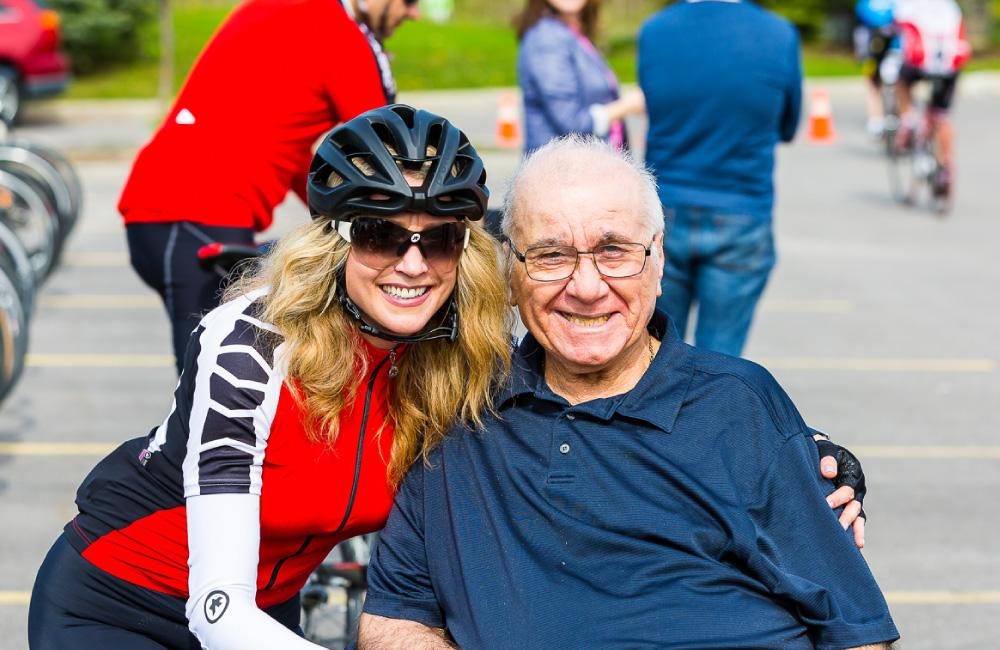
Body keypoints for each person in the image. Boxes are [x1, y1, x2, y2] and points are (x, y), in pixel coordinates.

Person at [356, 137, 898, 650]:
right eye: (551, 256)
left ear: (657, 259)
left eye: (613, 252)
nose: (587, 288)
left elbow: (856, 630)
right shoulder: (459, 406)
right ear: (510, 270)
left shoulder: (739, 405)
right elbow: (394, 618)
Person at [28, 105, 513, 649]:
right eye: (381, 235)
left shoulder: (461, 354)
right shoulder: (253, 343)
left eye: (440, 239)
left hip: (266, 617)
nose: (413, 265)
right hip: (121, 603)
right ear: (335, 243)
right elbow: (219, 613)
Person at [119, 0, 419, 373]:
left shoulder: (288, 11)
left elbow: (284, 143)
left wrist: (328, 206)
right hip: (194, 214)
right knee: (211, 382)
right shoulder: (338, 33)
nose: (415, 12)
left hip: (169, 211)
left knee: (222, 377)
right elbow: (384, 149)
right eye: (409, 1)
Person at [638, 0, 801, 357]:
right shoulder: (778, 34)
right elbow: (788, 125)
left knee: (655, 352)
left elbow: (655, 102)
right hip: (742, 208)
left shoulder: (655, 31)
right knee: (721, 362)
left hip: (666, 209)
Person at [515, 0, 644, 152]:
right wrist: (626, 106)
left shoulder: (572, 32)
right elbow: (570, 123)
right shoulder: (547, 38)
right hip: (562, 167)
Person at [892, 0, 970, 197]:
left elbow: (897, 23)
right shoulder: (948, 4)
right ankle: (945, 166)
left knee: (901, 83)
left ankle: (908, 120)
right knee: (942, 115)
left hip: (920, 61)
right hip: (950, 63)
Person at [854, 0, 898, 136]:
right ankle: (875, 118)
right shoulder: (867, 3)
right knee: (873, 83)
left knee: (898, 84)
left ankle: (896, 115)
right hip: (872, 50)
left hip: (894, 48)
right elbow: (863, 13)